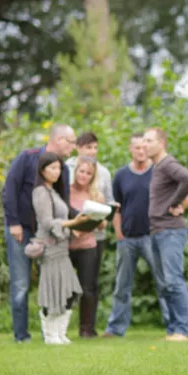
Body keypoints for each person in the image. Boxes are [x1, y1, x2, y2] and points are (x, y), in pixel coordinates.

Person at [2, 124, 76, 342]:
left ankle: (52, 334)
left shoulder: (65, 169)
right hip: (21, 231)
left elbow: (64, 204)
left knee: (52, 282)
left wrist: (80, 222)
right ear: (60, 140)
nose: (73, 148)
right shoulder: (27, 158)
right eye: (72, 143)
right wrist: (13, 222)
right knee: (21, 284)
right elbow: (9, 190)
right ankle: (22, 336)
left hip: (48, 235)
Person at [105, 134, 170, 337]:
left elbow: (178, 196)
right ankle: (115, 328)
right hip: (128, 238)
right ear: (130, 149)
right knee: (121, 286)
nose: (141, 151)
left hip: (154, 237)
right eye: (137, 148)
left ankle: (174, 326)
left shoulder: (158, 171)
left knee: (164, 283)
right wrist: (119, 233)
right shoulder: (121, 175)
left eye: (144, 147)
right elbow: (117, 208)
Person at [32, 152, 91, 344]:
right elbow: (47, 222)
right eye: (52, 168)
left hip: (62, 247)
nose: (57, 172)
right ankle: (50, 335)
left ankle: (60, 333)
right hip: (50, 249)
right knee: (53, 291)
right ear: (42, 170)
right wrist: (73, 223)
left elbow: (62, 220)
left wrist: (77, 225)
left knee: (70, 291)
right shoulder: (41, 192)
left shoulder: (54, 192)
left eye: (59, 168)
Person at [146, 127, 188, 341]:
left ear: (161, 143)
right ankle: (174, 329)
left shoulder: (168, 164)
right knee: (164, 283)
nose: (145, 145)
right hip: (158, 230)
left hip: (171, 230)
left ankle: (183, 329)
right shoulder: (157, 167)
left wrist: (174, 202)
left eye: (149, 141)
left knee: (173, 280)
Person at [68, 156, 107, 338]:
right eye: (81, 171)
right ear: (75, 171)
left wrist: (100, 222)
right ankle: (58, 328)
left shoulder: (96, 196)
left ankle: (86, 329)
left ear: (93, 176)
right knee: (65, 288)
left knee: (87, 288)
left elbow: (102, 225)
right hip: (67, 246)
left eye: (89, 173)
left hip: (88, 245)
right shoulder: (65, 191)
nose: (84, 175)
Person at [67, 132, 115, 278]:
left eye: (95, 147)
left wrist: (108, 212)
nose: (93, 151)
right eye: (89, 147)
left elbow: (108, 201)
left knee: (89, 283)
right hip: (68, 235)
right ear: (77, 148)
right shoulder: (65, 169)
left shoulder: (104, 172)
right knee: (66, 284)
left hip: (95, 236)